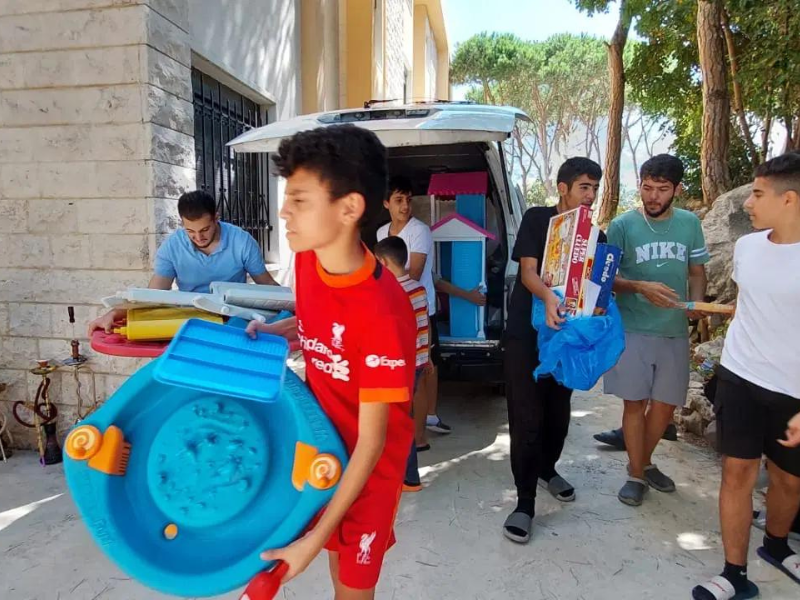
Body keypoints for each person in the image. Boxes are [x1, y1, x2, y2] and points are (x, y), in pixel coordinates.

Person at [246, 124, 416, 599]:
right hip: (323, 447)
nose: (284, 212)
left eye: (299, 200)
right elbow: (319, 323)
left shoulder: (384, 311)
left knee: (351, 590)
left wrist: (309, 542)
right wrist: (283, 331)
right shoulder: (308, 259)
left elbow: (373, 442)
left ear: (349, 208)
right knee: (334, 568)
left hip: (369, 472)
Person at [693, 153, 800, 600]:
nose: (748, 204)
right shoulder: (747, 247)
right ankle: (733, 574)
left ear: (789, 199)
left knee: (789, 480)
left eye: (757, 194)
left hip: (793, 393)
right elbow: (750, 306)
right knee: (736, 473)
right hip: (740, 376)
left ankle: (776, 546)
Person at [502, 157, 604, 544]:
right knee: (526, 418)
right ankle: (524, 502)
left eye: (595, 188)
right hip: (526, 340)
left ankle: (548, 469)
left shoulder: (595, 235)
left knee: (558, 416)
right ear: (563, 187)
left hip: (565, 340)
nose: (590, 195)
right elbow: (528, 271)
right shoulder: (537, 219)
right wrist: (547, 297)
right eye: (584, 187)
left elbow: (598, 286)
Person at [605, 154, 710, 507]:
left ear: (677, 190)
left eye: (662, 190)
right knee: (634, 404)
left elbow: (697, 271)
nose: (652, 197)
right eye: (647, 188)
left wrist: (695, 308)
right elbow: (605, 279)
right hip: (632, 327)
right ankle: (637, 474)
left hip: (674, 329)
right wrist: (639, 287)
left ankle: (643, 462)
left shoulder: (689, 224)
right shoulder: (622, 225)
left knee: (665, 408)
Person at [87, 190, 276, 335]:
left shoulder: (242, 241)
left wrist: (297, 305)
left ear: (216, 218)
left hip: (234, 320)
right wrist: (112, 314)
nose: (198, 237)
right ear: (182, 224)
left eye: (205, 229)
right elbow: (153, 294)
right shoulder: (172, 247)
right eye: (190, 231)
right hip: (190, 321)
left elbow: (266, 284)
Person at [376, 177, 453, 449]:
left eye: (408, 200)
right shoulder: (381, 232)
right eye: (398, 200)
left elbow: (415, 273)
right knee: (403, 370)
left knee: (424, 367)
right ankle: (410, 425)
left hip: (419, 307)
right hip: (392, 310)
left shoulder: (419, 231)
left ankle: (428, 419)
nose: (405, 206)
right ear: (386, 204)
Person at [374, 235, 433, 493]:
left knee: (396, 420)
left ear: (384, 263)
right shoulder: (418, 288)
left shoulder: (390, 292)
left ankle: (408, 477)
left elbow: (394, 334)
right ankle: (406, 476)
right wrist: (428, 356)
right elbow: (425, 325)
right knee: (401, 416)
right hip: (419, 362)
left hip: (401, 366)